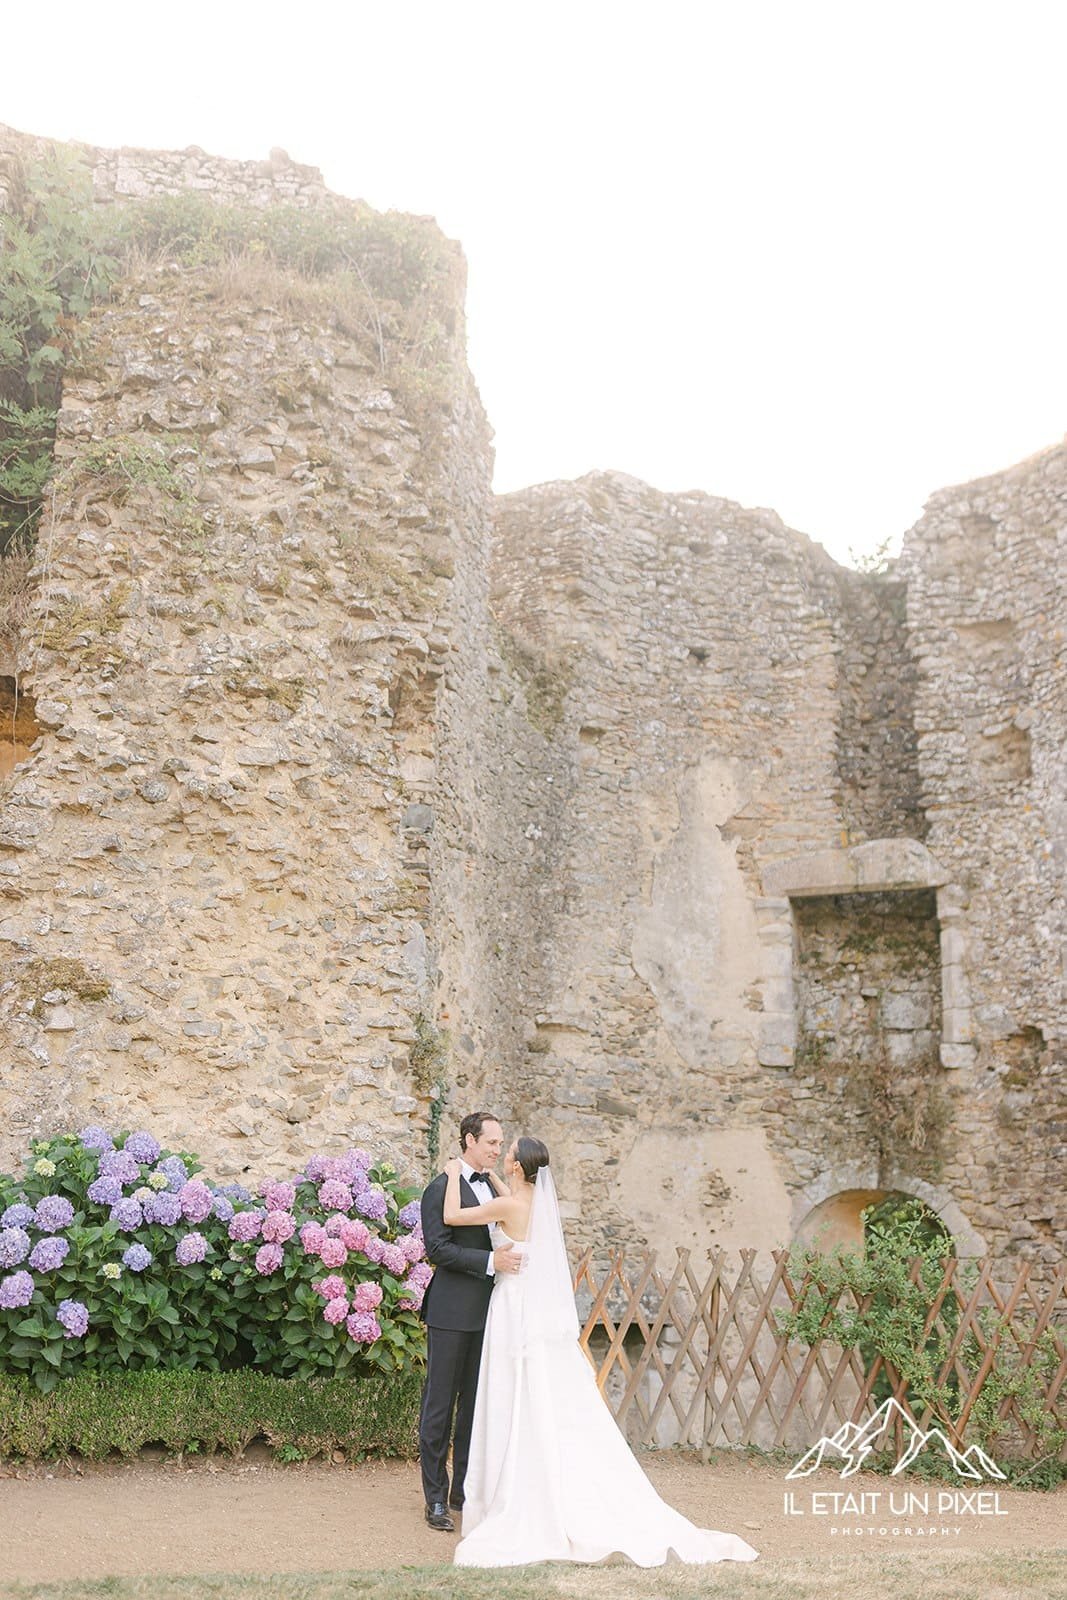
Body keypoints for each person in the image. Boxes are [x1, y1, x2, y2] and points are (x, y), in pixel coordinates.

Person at [440, 1136, 760, 1569]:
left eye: (507, 1153)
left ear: (518, 1168)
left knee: (509, 1390)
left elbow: (453, 1215)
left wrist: (456, 1173)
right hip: (533, 1312)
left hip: (513, 1305)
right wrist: (498, 1177)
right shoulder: (532, 1204)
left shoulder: (507, 1207)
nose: (503, 1156)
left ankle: (510, 1487)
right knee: (536, 1393)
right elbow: (508, 1195)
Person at [418, 1111, 521, 1531]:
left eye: (500, 1143)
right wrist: (490, 1261)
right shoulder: (441, 1188)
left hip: (491, 1315)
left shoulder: (497, 1188)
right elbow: (437, 1249)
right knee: (439, 1407)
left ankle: (462, 1490)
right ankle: (435, 1500)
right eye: (491, 1143)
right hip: (450, 1313)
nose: (498, 1149)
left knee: (475, 1408)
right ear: (469, 1141)